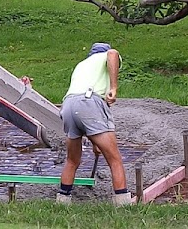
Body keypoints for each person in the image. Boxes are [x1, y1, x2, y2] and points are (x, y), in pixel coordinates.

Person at [56, 42, 132, 206]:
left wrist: (96, 143)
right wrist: (113, 87)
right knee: (115, 159)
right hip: (89, 101)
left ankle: (62, 201)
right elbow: (112, 54)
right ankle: (123, 202)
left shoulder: (81, 65)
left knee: (72, 160)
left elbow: (82, 118)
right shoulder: (105, 56)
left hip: (68, 105)